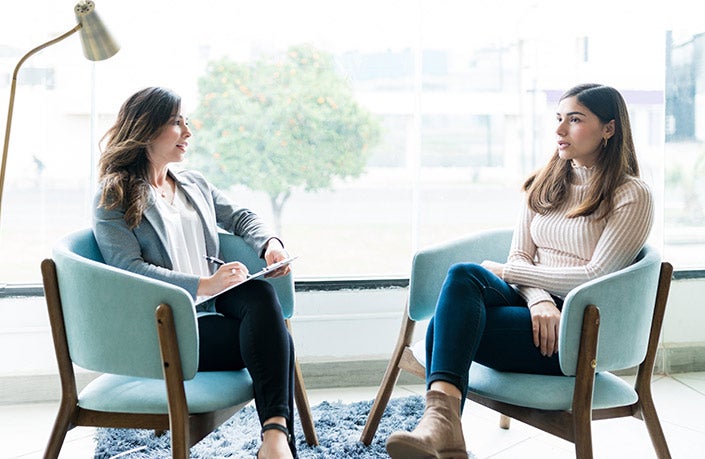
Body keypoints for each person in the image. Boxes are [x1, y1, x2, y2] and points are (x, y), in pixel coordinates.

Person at [385, 83, 654, 459]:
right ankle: (441, 427)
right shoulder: (546, 181)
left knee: (444, 328)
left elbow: (596, 275)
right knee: (464, 275)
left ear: (609, 128)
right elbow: (522, 258)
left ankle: (442, 431)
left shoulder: (631, 195)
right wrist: (539, 300)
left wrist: (514, 275)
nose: (560, 130)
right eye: (559, 119)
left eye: (575, 120)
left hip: (577, 332)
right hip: (535, 309)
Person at [93, 87, 297, 459]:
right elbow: (128, 270)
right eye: (176, 123)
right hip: (168, 327)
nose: (188, 132)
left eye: (186, 122)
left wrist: (270, 245)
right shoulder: (115, 195)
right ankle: (277, 442)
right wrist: (204, 284)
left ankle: (274, 440)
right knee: (275, 338)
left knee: (262, 296)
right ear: (147, 129)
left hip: (217, 307)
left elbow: (240, 216)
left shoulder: (193, 183)